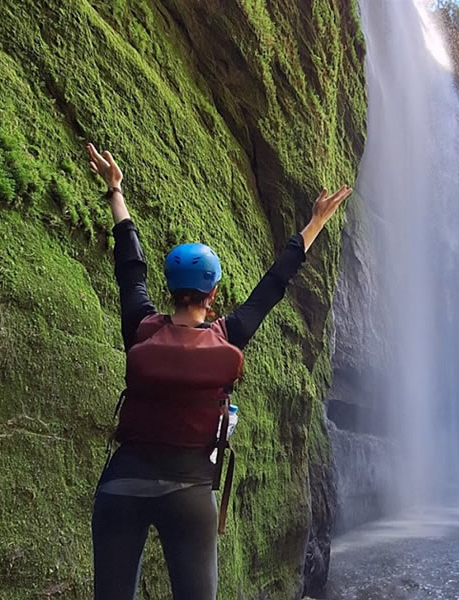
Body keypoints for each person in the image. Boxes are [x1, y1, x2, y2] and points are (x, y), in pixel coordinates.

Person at [86, 142, 351, 600]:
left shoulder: (141, 329)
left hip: (122, 485)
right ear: (213, 294)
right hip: (191, 492)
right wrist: (315, 223)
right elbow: (275, 283)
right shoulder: (228, 335)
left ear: (171, 290)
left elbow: (130, 268)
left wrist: (116, 193)